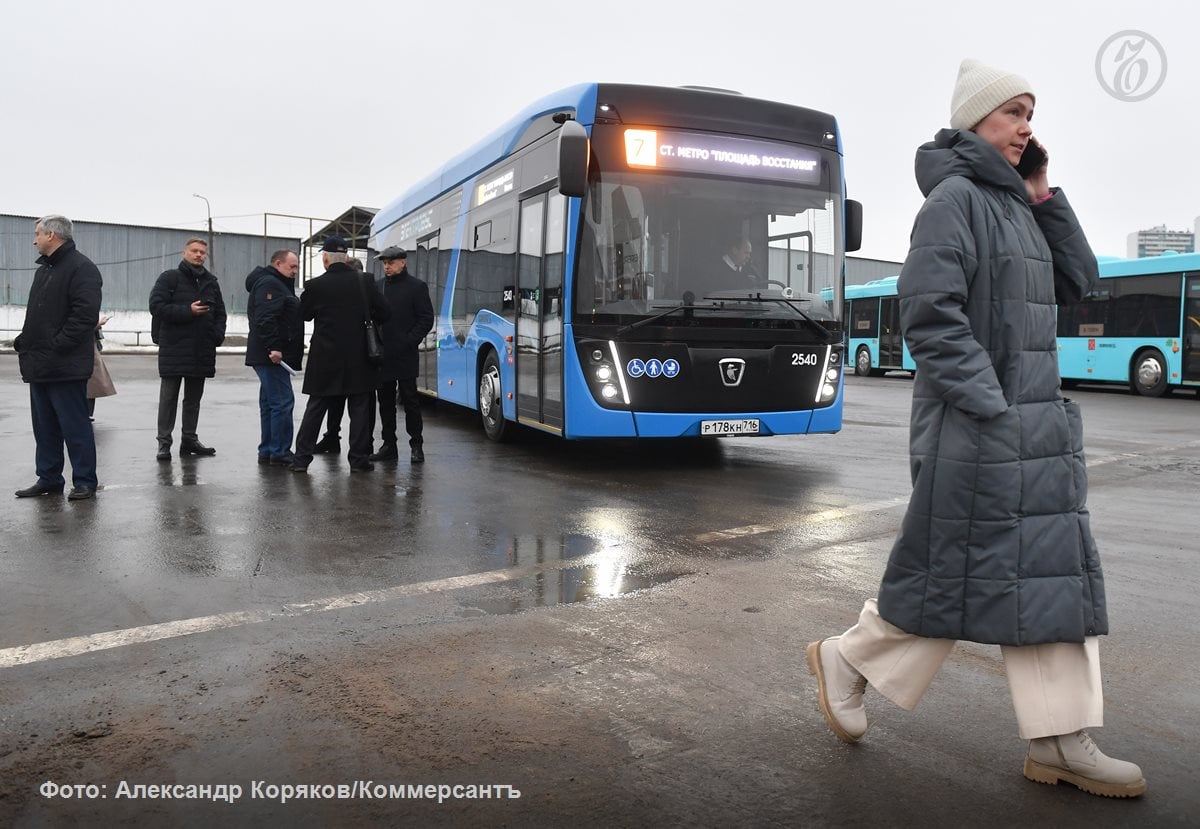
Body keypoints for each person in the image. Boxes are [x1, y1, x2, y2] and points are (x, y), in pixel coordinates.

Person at [806, 59, 1146, 799]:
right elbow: (928, 316)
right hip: (978, 425)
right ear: (974, 120)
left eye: (1031, 113)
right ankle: (847, 658)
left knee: (1044, 577)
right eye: (1014, 112)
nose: (1027, 126)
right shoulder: (954, 201)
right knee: (953, 575)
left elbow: (1079, 281)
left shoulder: (1018, 207)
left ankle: (1060, 739)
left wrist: (1045, 195)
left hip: (1032, 426)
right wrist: (990, 406)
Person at [13, 215, 102, 501]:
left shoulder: (82, 268)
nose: (34, 238)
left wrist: (56, 345)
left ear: (52, 235)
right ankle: (49, 478)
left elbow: (84, 316)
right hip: (40, 363)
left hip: (65, 364)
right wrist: (24, 341)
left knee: (75, 426)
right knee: (45, 426)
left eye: (37, 233)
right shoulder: (44, 270)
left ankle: (85, 481)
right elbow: (39, 316)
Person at [290, 237, 390, 473]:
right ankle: (358, 460)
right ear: (345, 257)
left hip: (325, 358)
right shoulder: (364, 281)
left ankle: (301, 459)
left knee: (316, 409)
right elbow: (385, 313)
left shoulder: (315, 285)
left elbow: (304, 315)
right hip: (360, 357)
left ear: (325, 258)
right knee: (359, 411)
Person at [149, 237, 227, 460]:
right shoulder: (169, 278)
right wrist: (187, 311)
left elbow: (220, 313)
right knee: (168, 399)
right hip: (174, 348)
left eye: (203, 252)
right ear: (185, 252)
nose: (199, 255)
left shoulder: (211, 282)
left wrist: (217, 335)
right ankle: (164, 443)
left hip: (201, 349)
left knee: (193, 400)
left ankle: (189, 440)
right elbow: (156, 306)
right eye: (195, 251)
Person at [369, 247, 434, 464]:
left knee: (410, 402)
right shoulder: (378, 287)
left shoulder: (416, 287)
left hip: (405, 354)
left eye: (390, 262)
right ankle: (389, 445)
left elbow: (426, 318)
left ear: (403, 262)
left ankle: (416, 445)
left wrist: (409, 341)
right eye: (384, 262)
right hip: (383, 355)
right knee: (385, 403)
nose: (386, 266)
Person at [245, 250, 304, 466]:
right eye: (292, 266)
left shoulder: (276, 283)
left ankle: (269, 449)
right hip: (271, 355)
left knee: (271, 403)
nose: (295, 271)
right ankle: (279, 452)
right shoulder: (270, 284)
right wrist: (274, 347)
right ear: (278, 264)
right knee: (282, 402)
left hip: (268, 354)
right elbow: (266, 318)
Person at [86, 315, 116, 419]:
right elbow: (82, 327)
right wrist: (98, 324)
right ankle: (87, 413)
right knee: (90, 384)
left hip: (91, 349)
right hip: (86, 350)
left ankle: (88, 413)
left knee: (92, 384)